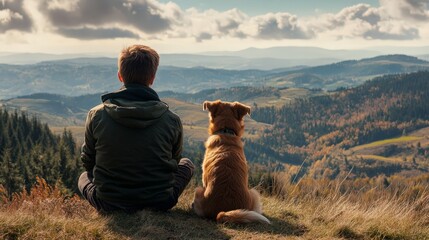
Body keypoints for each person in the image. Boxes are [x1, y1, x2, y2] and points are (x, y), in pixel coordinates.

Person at [78, 44, 194, 213]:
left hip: (110, 203)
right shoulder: (171, 119)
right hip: (160, 202)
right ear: (152, 78)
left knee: (83, 177)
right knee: (187, 164)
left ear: (120, 76)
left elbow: (88, 161)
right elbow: (174, 162)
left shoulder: (96, 115)